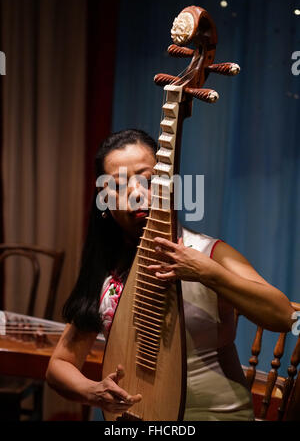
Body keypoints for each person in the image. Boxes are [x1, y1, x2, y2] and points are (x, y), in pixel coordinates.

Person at [46, 129, 294, 420]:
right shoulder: (106, 269)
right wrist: (92, 391)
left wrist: (206, 272)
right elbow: (59, 365)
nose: (137, 194)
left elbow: (284, 316)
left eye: (148, 180)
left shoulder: (209, 252)